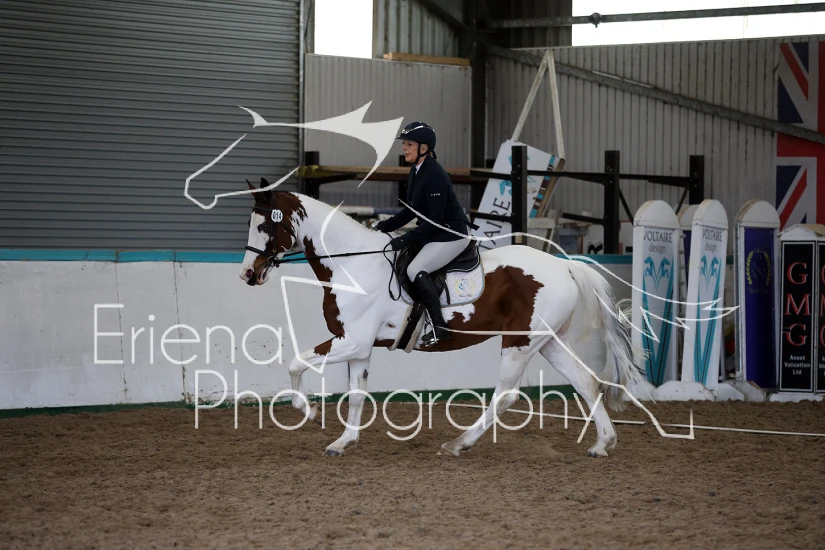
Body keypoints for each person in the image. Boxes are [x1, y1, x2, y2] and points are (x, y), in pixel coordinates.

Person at [374, 121, 475, 345]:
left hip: (450, 234)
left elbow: (434, 221)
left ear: (424, 148)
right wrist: (383, 227)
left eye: (409, 144)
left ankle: (439, 327)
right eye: (404, 144)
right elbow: (411, 210)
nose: (404, 148)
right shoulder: (417, 170)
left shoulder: (434, 174)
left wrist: (404, 239)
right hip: (435, 233)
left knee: (415, 270)